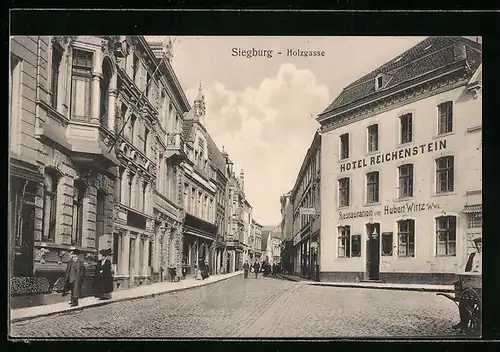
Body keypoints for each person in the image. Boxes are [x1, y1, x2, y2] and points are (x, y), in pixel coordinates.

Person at [452, 236, 482, 330]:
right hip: (472, 281)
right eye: (477, 245)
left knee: (463, 300)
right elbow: (467, 268)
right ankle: (463, 322)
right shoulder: (473, 255)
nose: (479, 247)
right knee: (464, 301)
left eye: (481, 245)